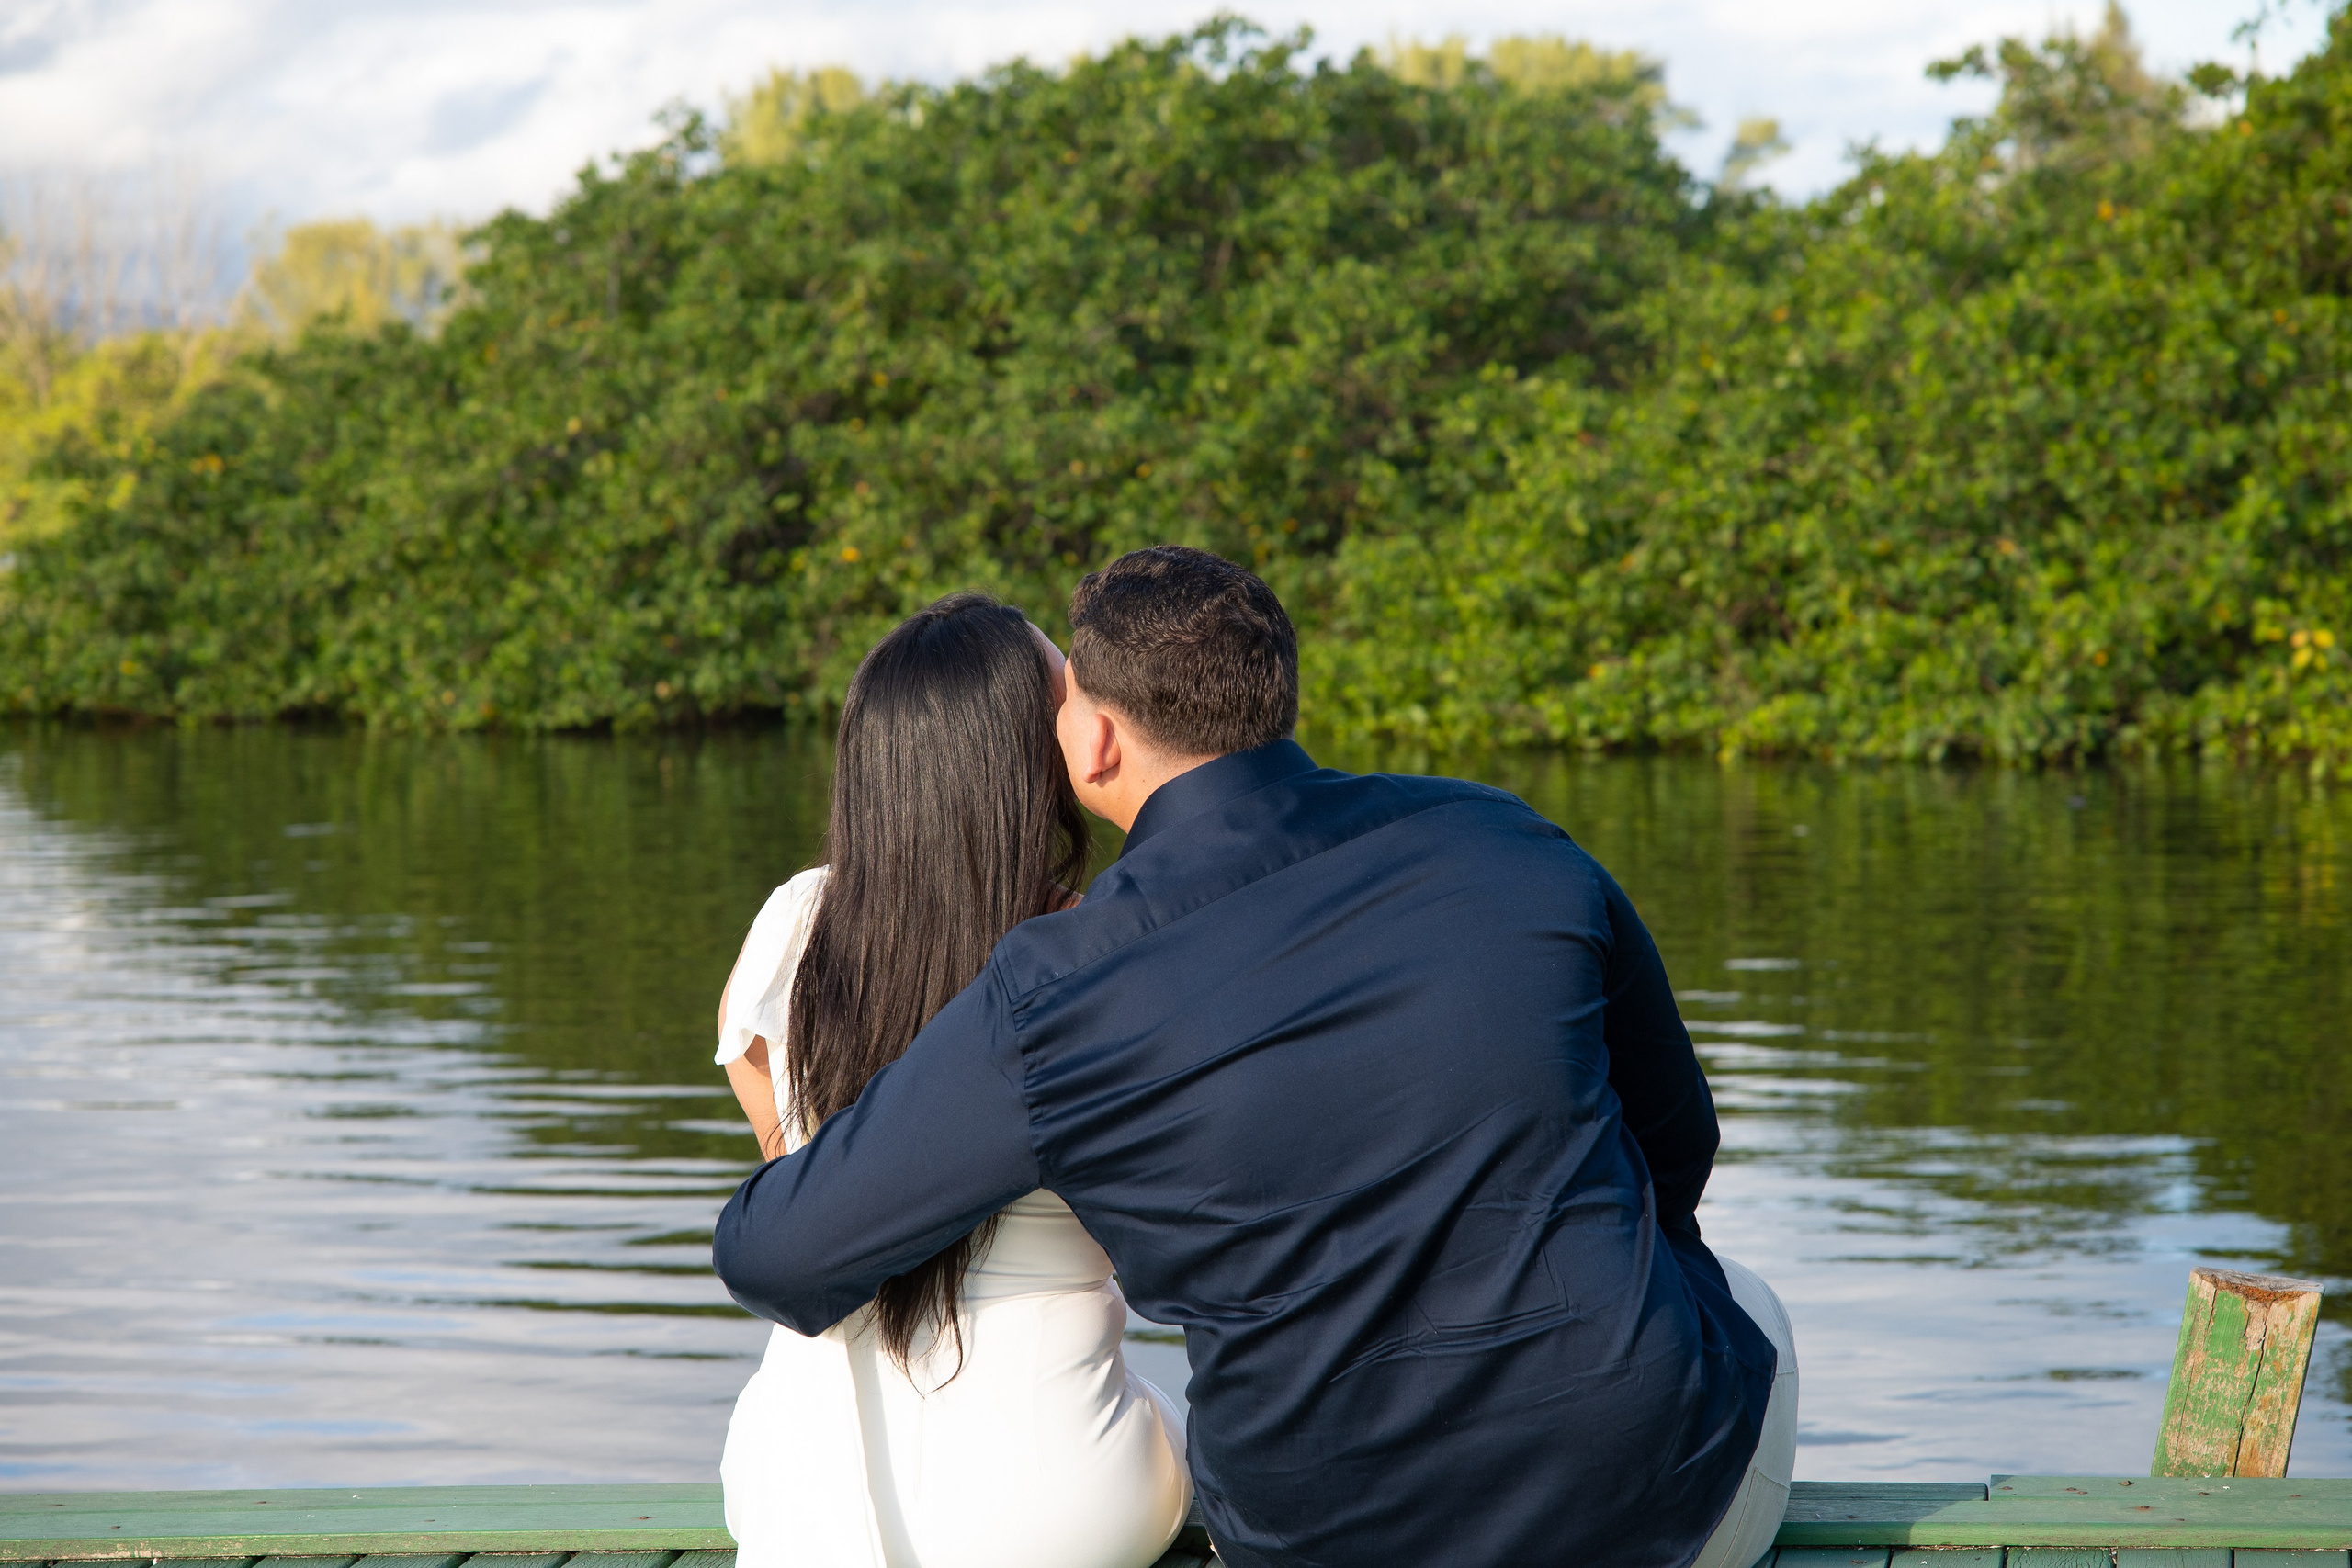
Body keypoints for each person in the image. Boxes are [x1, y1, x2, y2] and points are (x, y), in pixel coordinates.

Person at [715, 547, 1799, 1568]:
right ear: (1274, 694)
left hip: (1323, 1531)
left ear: (1094, 742)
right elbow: (1675, 1145)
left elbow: (778, 1256)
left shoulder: (1056, 985)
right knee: (1738, 1296)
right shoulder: (1509, 839)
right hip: (1654, 1496)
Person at [710, 592, 1192, 1568]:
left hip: (797, 1487)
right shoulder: (1097, 953)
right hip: (1055, 1496)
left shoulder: (795, 921)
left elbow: (762, 1098)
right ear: (1029, 755)